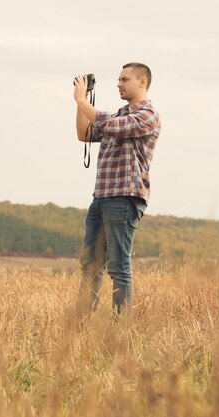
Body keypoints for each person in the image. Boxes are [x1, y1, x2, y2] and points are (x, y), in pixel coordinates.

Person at [73, 62, 161, 317]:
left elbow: (110, 126)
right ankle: (82, 323)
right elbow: (84, 133)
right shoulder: (119, 114)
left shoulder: (147, 116)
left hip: (124, 198)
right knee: (90, 265)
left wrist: (82, 101)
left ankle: (120, 328)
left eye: (124, 79)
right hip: (101, 198)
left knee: (118, 266)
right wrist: (83, 99)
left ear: (142, 81)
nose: (119, 84)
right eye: (118, 80)